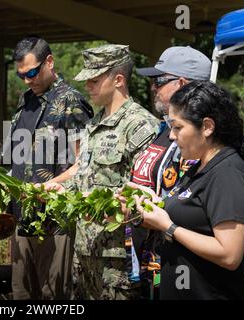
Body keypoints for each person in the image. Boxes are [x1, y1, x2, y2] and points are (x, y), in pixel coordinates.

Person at [45, 44, 159, 299]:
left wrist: (104, 204)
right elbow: (85, 173)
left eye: (94, 80)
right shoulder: (94, 124)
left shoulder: (141, 126)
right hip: (84, 250)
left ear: (118, 80)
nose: (88, 87)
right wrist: (61, 189)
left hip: (118, 258)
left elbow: (146, 196)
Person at [129, 81, 244, 299]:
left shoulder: (227, 174)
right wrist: (150, 201)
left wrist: (168, 227)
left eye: (178, 127)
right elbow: (190, 215)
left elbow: (229, 254)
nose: (171, 136)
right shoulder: (199, 166)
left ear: (207, 127)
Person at [5, 37, 94, 300]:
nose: (27, 80)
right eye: (21, 74)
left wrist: (46, 187)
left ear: (50, 62)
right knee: (21, 294)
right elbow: (18, 160)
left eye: (32, 72)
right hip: (23, 218)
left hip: (55, 223)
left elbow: (84, 164)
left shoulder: (72, 102)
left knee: (52, 296)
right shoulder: (25, 101)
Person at [130, 46, 212, 299]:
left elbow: (191, 203)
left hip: (184, 271)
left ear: (182, 84)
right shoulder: (165, 129)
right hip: (152, 265)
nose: (153, 87)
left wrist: (154, 207)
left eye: (159, 80)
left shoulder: (201, 137)